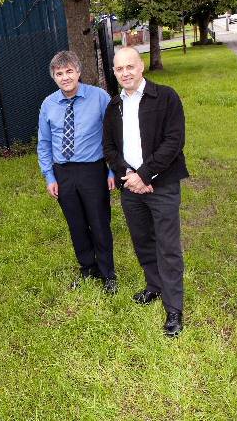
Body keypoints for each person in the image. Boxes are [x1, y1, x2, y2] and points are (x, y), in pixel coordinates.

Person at [103, 47, 189, 337]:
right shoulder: (114, 105)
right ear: (114, 72)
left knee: (167, 246)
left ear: (141, 67)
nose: (125, 72)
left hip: (161, 185)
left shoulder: (165, 97)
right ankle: (154, 285)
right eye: (119, 68)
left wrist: (145, 174)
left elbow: (173, 142)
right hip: (130, 187)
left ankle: (174, 307)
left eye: (130, 66)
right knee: (142, 240)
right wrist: (130, 176)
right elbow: (109, 148)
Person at [37, 51, 117, 293]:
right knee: (76, 224)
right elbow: (44, 143)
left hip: (93, 170)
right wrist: (49, 175)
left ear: (79, 72)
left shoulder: (99, 97)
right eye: (59, 74)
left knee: (99, 222)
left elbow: (114, 136)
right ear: (54, 77)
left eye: (69, 71)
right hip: (63, 173)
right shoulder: (48, 104)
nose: (65, 77)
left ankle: (107, 274)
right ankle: (87, 267)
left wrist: (113, 170)